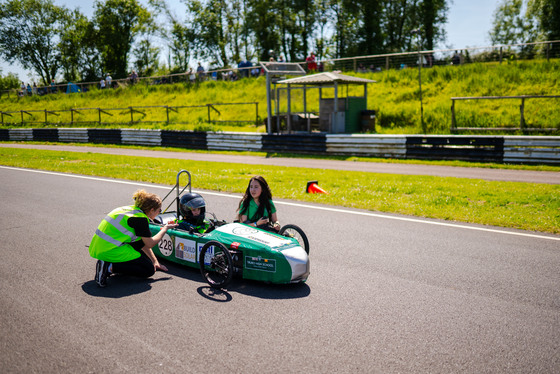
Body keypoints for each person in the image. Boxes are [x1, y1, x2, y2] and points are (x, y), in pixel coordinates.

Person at [89, 189, 178, 287]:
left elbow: (142, 243)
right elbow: (150, 243)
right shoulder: (140, 219)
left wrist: (155, 261)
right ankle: (109, 267)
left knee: (144, 255)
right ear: (152, 210)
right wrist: (165, 229)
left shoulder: (130, 210)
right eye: (159, 210)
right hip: (109, 249)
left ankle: (112, 264)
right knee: (148, 270)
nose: (159, 213)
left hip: (99, 247)